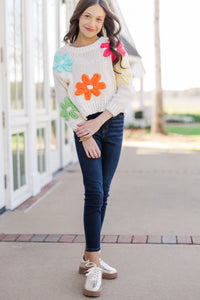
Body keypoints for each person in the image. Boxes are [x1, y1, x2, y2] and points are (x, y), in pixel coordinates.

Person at [53, 0, 136, 297]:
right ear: (78, 17)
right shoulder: (62, 56)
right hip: (83, 128)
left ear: (104, 22)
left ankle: (90, 258)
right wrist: (86, 134)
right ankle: (94, 263)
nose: (92, 23)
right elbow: (63, 99)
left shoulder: (111, 47)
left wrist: (101, 120)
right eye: (87, 16)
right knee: (95, 192)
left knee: (105, 192)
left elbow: (127, 87)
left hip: (110, 122)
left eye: (98, 19)